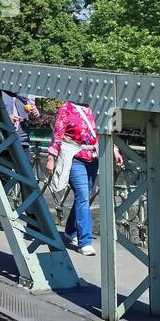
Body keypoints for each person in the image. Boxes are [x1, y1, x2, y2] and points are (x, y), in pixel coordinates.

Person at [43, 101, 122, 256]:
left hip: (93, 157)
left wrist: (115, 150)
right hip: (75, 158)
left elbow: (108, 132)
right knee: (83, 195)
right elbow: (58, 133)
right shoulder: (67, 107)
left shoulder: (99, 105)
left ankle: (70, 229)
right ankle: (84, 242)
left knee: (86, 195)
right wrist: (51, 157)